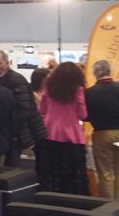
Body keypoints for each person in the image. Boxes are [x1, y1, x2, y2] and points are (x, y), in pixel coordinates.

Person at [36, 60, 88, 195]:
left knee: (51, 171)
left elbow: (42, 110)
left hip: (50, 134)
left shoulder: (48, 90)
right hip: (73, 136)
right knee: (73, 174)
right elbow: (82, 115)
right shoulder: (78, 91)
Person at [0, 50, 47, 165]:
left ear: (7, 63)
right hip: (7, 132)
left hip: (15, 133)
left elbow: (22, 109)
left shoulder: (15, 80)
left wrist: (14, 132)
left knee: (11, 165)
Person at [85, 60, 119, 199]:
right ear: (109, 71)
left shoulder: (90, 93)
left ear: (95, 73)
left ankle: (109, 205)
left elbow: (85, 116)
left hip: (101, 134)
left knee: (105, 172)